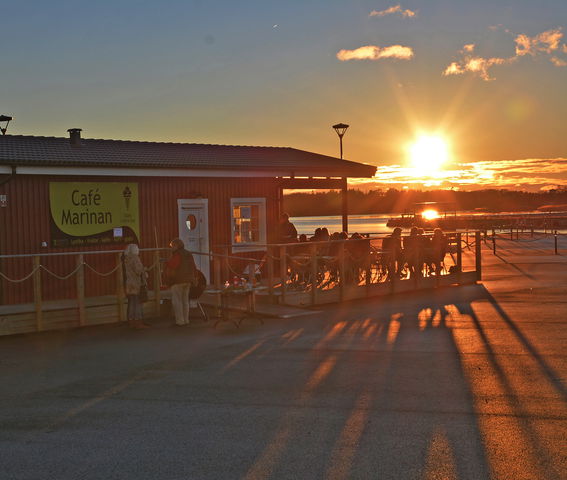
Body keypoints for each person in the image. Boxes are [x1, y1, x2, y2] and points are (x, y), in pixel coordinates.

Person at [164, 238, 198, 326]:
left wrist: (166, 262)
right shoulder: (188, 253)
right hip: (188, 280)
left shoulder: (177, 254)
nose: (171, 248)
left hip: (178, 280)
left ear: (176, 246)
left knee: (177, 301)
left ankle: (180, 321)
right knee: (185, 301)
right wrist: (193, 278)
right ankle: (186, 320)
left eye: (172, 246)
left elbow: (173, 265)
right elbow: (194, 266)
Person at [123, 244, 149, 329]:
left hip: (129, 283)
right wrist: (144, 269)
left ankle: (131, 321)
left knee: (131, 303)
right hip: (136, 283)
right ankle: (138, 322)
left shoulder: (126, 258)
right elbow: (138, 271)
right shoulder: (135, 258)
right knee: (138, 303)